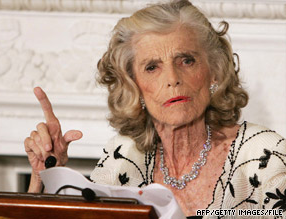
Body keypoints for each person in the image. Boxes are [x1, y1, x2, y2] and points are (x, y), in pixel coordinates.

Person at [24, 0, 286, 217]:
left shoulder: (263, 156)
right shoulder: (124, 157)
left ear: (214, 72)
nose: (172, 78)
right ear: (134, 86)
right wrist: (46, 176)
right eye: (152, 67)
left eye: (186, 60)